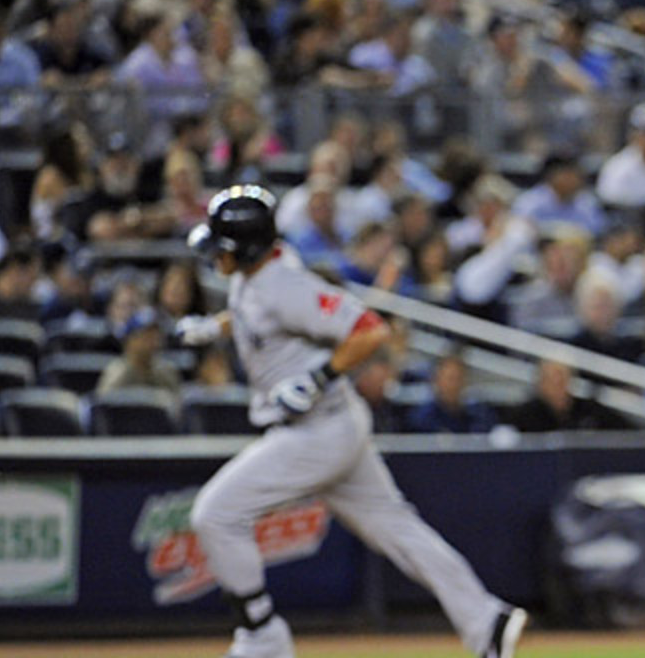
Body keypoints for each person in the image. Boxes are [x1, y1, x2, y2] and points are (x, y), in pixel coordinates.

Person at [179, 185, 526, 658]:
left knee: (216, 513)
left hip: (317, 431)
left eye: (223, 248)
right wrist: (215, 327)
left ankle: (262, 635)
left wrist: (317, 377)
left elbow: (369, 329)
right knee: (400, 531)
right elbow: (252, 313)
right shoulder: (256, 277)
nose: (216, 258)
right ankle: (485, 619)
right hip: (332, 426)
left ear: (248, 247)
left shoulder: (286, 284)